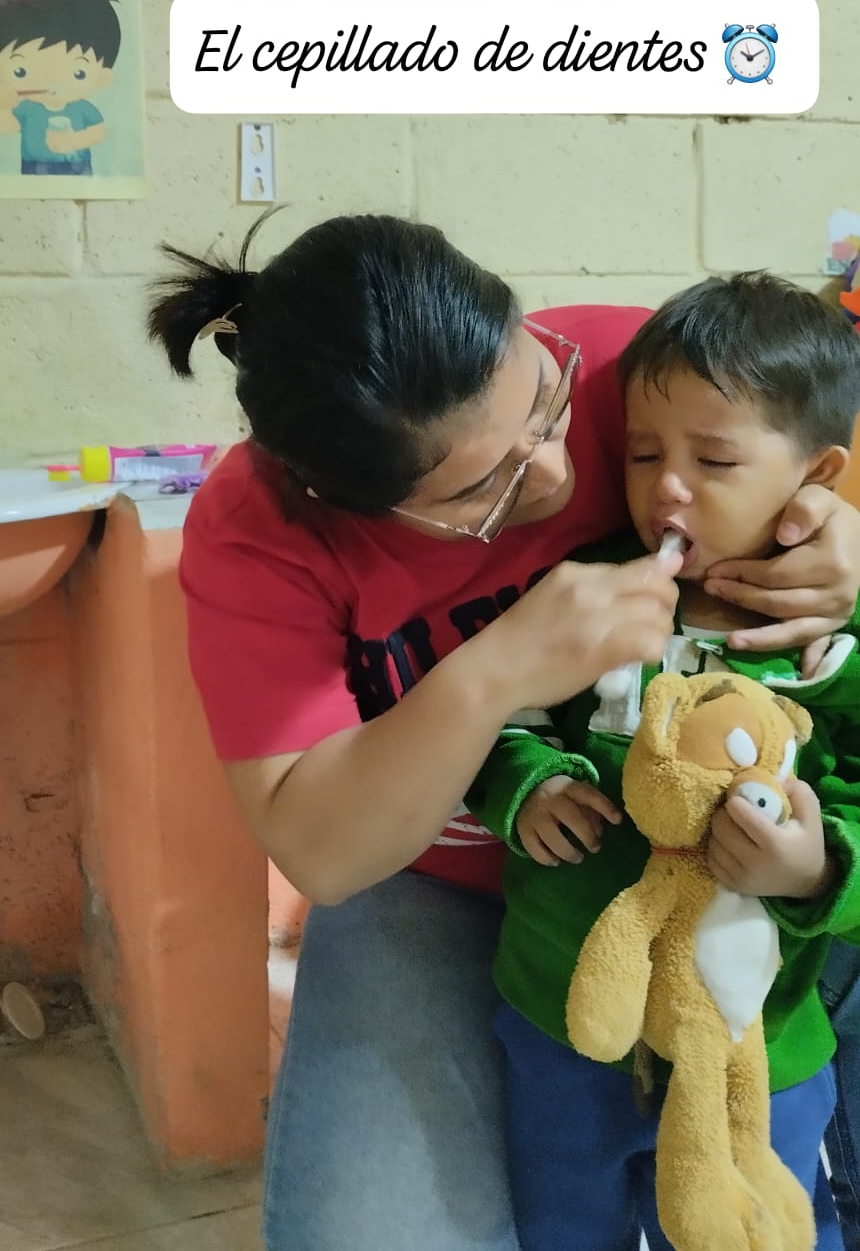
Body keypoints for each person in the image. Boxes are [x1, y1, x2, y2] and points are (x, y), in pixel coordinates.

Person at [146, 213, 860, 1251]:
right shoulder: (258, 531)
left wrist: (844, 535)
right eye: (481, 489)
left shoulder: (635, 371)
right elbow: (321, 850)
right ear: (347, 501)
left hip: (716, 877)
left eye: (544, 405)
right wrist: (499, 669)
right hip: (432, 877)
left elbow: (813, 452)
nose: (556, 472)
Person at [463, 273, 860, 1251]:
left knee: (760, 1228)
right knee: (564, 1226)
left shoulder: (838, 651)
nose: (666, 487)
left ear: (817, 476)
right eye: (644, 454)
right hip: (564, 1019)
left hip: (756, 1045)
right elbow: (494, 718)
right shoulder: (587, 591)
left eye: (713, 458)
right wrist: (529, 786)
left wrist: (814, 868)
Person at [0, 0, 118, 176]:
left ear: (103, 78)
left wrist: (74, 141)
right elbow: (6, 127)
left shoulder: (83, 109)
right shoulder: (27, 108)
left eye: (78, 73)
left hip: (77, 167)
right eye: (21, 71)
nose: (52, 81)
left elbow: (98, 132)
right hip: (32, 167)